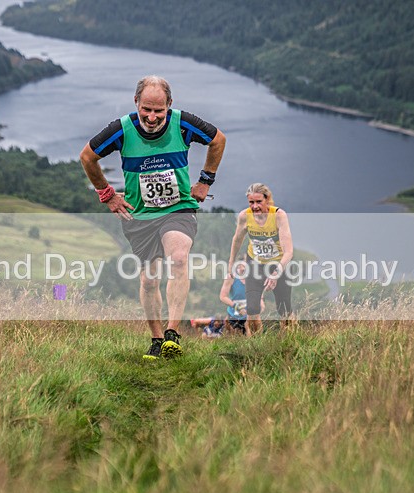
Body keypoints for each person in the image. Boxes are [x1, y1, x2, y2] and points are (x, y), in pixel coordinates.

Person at [80, 75, 226, 359]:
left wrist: (205, 181)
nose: (151, 116)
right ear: (136, 102)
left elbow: (218, 140)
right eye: (146, 109)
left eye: (159, 110)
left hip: (178, 207)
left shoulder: (183, 123)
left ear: (169, 105)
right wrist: (107, 194)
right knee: (149, 280)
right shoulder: (122, 129)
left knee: (179, 258)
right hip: (140, 214)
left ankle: (173, 335)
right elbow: (87, 157)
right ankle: (157, 339)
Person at [227, 183, 294, 335]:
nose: (255, 206)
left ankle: (290, 340)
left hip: (280, 264)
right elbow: (236, 240)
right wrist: (231, 264)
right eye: (251, 202)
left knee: (284, 308)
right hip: (255, 264)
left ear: (267, 199)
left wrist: (276, 273)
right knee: (252, 308)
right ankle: (256, 345)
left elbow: (288, 252)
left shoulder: (279, 215)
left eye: (259, 202)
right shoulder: (245, 216)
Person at [218, 260, 264, 336]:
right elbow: (223, 297)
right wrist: (237, 308)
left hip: (251, 313)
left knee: (257, 333)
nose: (242, 268)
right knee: (239, 339)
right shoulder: (231, 278)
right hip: (235, 314)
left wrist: (261, 302)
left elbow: (259, 291)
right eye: (239, 266)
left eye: (244, 266)